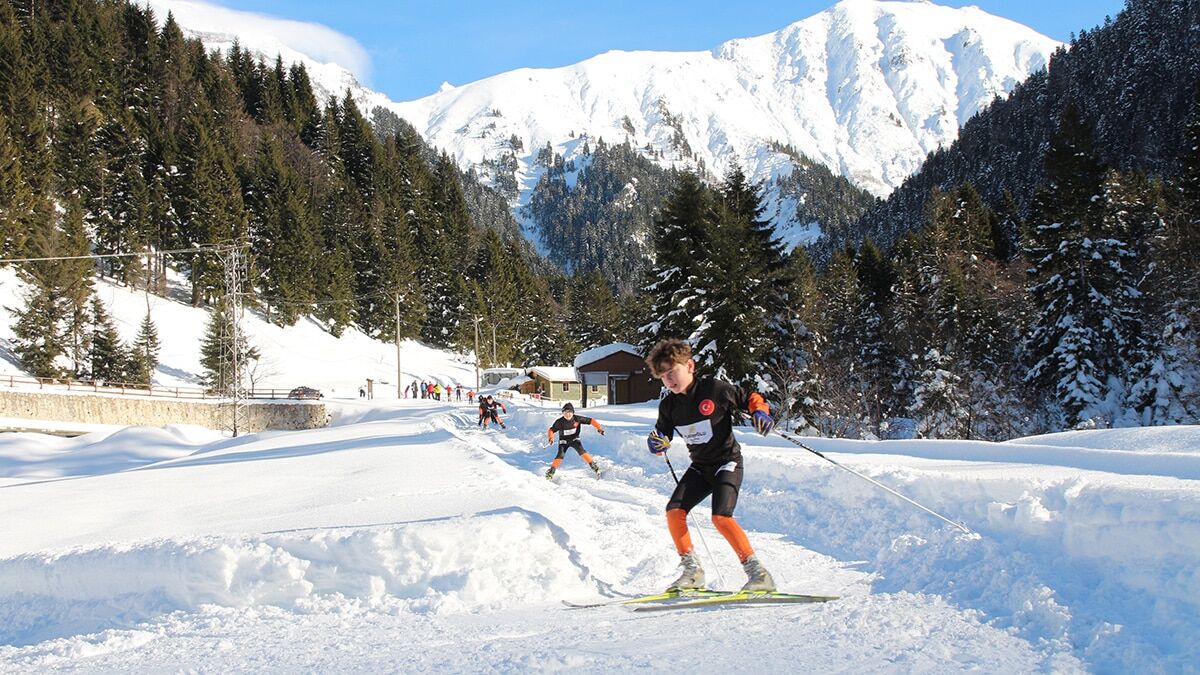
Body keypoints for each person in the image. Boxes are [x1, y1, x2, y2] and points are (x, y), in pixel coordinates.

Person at [644, 338, 776, 593]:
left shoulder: (713, 390)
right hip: (700, 468)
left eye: (673, 372)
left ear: (690, 366)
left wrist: (761, 411)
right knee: (674, 511)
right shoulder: (669, 406)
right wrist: (656, 443)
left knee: (721, 517)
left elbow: (749, 397)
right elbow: (661, 435)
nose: (669, 380)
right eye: (663, 377)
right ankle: (693, 573)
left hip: (727, 462)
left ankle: (759, 575)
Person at [544, 402, 605, 480]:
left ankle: (595, 467)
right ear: (563, 413)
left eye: (569, 412)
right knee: (560, 455)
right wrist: (551, 438)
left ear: (573, 413)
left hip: (574, 439)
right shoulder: (559, 422)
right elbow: (551, 430)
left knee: (582, 451)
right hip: (564, 441)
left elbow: (591, 421)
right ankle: (551, 472)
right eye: (565, 412)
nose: (567, 414)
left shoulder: (577, 419)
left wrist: (599, 428)